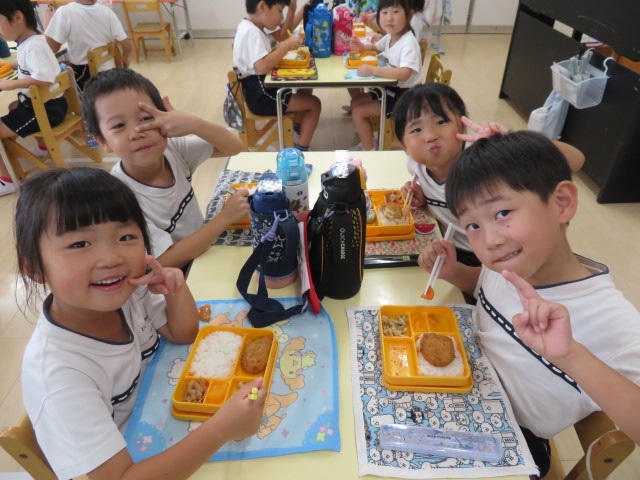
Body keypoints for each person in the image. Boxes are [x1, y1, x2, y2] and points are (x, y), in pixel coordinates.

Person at [17, 167, 267, 479]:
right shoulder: (58, 376)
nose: (112, 258)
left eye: (125, 237)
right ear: (35, 268)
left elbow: (184, 333)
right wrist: (220, 430)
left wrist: (175, 291)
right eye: (80, 244)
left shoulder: (126, 293)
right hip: (134, 460)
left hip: (162, 412)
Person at [418, 131, 640, 476]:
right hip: (465, 392)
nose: (490, 240)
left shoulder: (613, 321)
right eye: (473, 225)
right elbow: (485, 291)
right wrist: (454, 271)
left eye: (502, 212)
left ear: (562, 203)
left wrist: (572, 355)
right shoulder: (509, 266)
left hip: (515, 444)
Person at [394, 83, 586, 268]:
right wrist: (423, 198)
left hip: (503, 252)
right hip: (453, 251)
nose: (430, 136)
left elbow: (576, 160)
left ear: (462, 126)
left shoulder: (489, 162)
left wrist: (512, 143)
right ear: (404, 145)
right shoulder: (415, 166)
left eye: (440, 122)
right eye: (416, 130)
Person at [82, 68, 247, 270]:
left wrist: (194, 124)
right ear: (103, 141)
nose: (137, 132)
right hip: (174, 279)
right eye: (118, 126)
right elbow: (162, 261)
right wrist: (224, 218)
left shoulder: (173, 149)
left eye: (145, 118)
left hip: (202, 255)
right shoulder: (119, 197)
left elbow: (234, 146)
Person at [233, 0, 321, 151]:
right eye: (280, 11)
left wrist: (282, 49)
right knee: (314, 105)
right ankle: (302, 150)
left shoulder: (251, 27)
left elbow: (267, 53)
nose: (281, 18)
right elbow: (262, 66)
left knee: (305, 86)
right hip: (261, 96)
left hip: (261, 89)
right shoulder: (251, 33)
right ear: (262, 7)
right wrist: (285, 47)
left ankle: (296, 131)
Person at [0, 0, 67, 196]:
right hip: (51, 105)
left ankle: (6, 181)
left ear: (17, 17)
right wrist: (11, 65)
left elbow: (44, 78)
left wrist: (11, 84)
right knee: (13, 105)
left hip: (44, 111)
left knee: (14, 109)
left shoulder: (33, 47)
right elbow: (27, 63)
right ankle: (43, 146)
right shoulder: (32, 41)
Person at [349, 0, 422, 151]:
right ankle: (369, 141)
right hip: (390, 90)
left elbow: (404, 74)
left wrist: (373, 70)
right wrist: (362, 47)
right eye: (384, 13)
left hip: (405, 98)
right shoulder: (391, 36)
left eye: (395, 12)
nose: (389, 18)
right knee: (355, 103)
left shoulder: (409, 43)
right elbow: (375, 47)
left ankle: (370, 151)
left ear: (409, 15)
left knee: (358, 112)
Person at [44, 0, 133, 91]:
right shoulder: (107, 11)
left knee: (53, 82)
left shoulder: (64, 12)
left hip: (85, 77)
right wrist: (125, 58)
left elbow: (51, 48)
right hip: (111, 72)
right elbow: (128, 47)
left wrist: (48, 19)